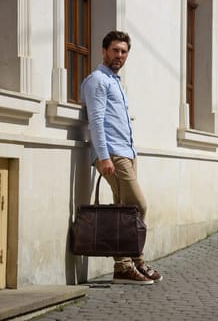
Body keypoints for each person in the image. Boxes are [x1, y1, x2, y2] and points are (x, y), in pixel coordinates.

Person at [81, 30, 163, 285]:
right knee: (138, 206)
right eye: (115, 50)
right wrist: (104, 157)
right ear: (103, 51)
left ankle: (131, 263)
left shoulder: (115, 81)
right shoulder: (97, 80)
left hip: (126, 153)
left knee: (125, 212)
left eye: (124, 51)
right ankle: (126, 264)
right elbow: (95, 120)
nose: (119, 55)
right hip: (113, 155)